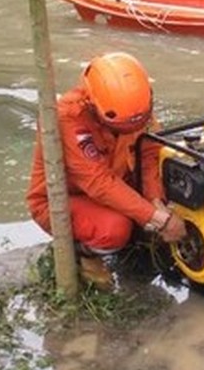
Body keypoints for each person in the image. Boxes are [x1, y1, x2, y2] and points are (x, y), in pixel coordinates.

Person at [26, 52, 185, 277]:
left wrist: (155, 201)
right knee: (115, 229)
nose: (133, 129)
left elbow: (149, 153)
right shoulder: (68, 118)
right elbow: (98, 182)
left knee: (177, 182)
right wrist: (158, 219)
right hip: (63, 198)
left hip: (116, 181)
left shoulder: (134, 107)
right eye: (121, 128)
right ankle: (84, 254)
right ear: (94, 108)